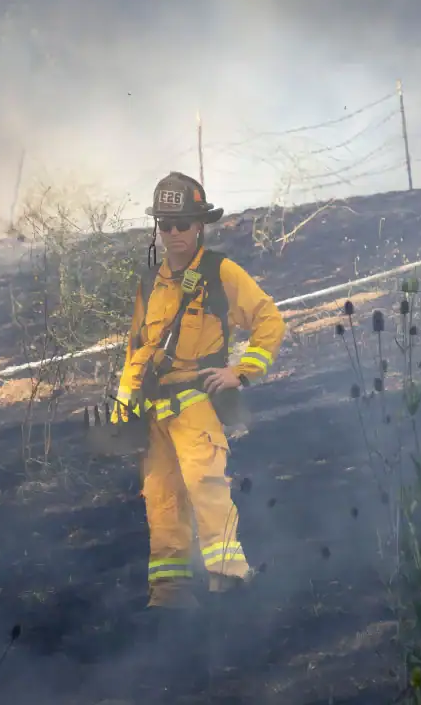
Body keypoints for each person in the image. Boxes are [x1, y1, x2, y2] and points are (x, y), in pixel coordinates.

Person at [112, 172, 286, 610]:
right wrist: (123, 403)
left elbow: (269, 320)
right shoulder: (149, 283)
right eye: (165, 225)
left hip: (197, 405)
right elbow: (138, 349)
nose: (173, 234)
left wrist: (242, 372)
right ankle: (169, 593)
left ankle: (229, 581)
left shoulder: (219, 271)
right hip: (154, 413)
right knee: (161, 498)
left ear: (199, 225)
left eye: (182, 224)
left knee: (206, 487)